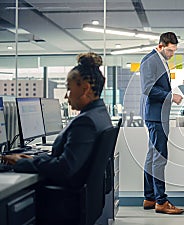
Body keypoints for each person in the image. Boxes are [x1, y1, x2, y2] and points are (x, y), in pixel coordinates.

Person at [3, 52, 112, 224]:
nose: (66, 96)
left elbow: (65, 167)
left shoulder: (86, 122)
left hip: (65, 202)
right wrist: (34, 159)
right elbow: (71, 159)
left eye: (69, 88)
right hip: (81, 200)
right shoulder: (100, 115)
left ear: (85, 88)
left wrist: (22, 163)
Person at [140, 32, 184, 214]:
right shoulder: (151, 60)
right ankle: (161, 201)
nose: (172, 54)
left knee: (152, 157)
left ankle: (150, 198)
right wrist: (170, 96)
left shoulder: (161, 60)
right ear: (160, 45)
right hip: (155, 116)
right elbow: (148, 88)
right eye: (169, 50)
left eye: (174, 50)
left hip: (158, 115)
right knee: (160, 158)